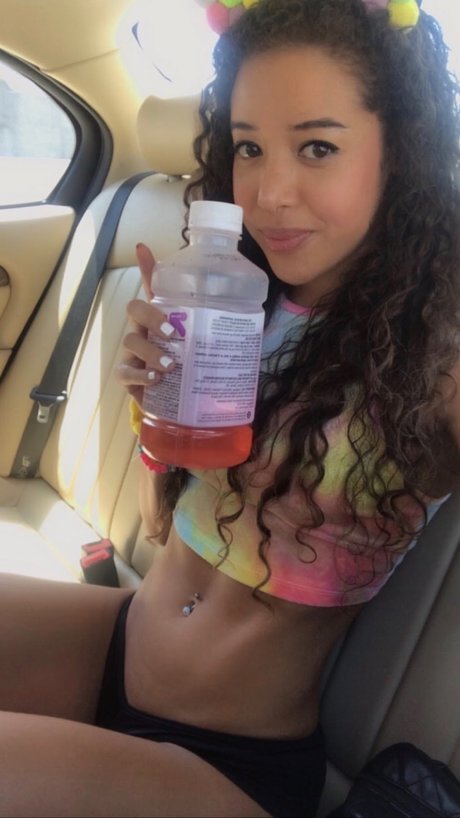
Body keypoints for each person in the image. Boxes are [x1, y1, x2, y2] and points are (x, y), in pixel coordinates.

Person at [1, 0, 459, 816]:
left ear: (400, 152)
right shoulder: (243, 301)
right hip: (119, 641)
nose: (269, 192)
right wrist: (152, 408)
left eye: (317, 147)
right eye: (249, 147)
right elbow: (159, 525)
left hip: (230, 760)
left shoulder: (438, 350)